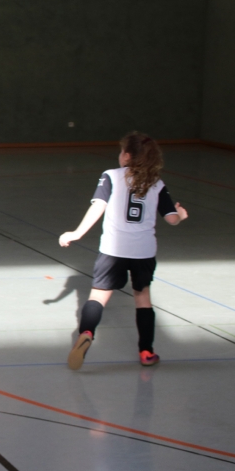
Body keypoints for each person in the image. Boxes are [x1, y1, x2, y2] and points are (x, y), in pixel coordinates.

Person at [59, 132, 188, 369]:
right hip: (144, 252)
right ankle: (146, 352)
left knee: (98, 296)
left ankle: (86, 333)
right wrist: (180, 214)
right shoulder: (157, 183)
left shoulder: (110, 176)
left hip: (113, 250)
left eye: (121, 151)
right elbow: (171, 218)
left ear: (127, 156)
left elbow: (98, 206)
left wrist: (76, 233)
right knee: (142, 298)